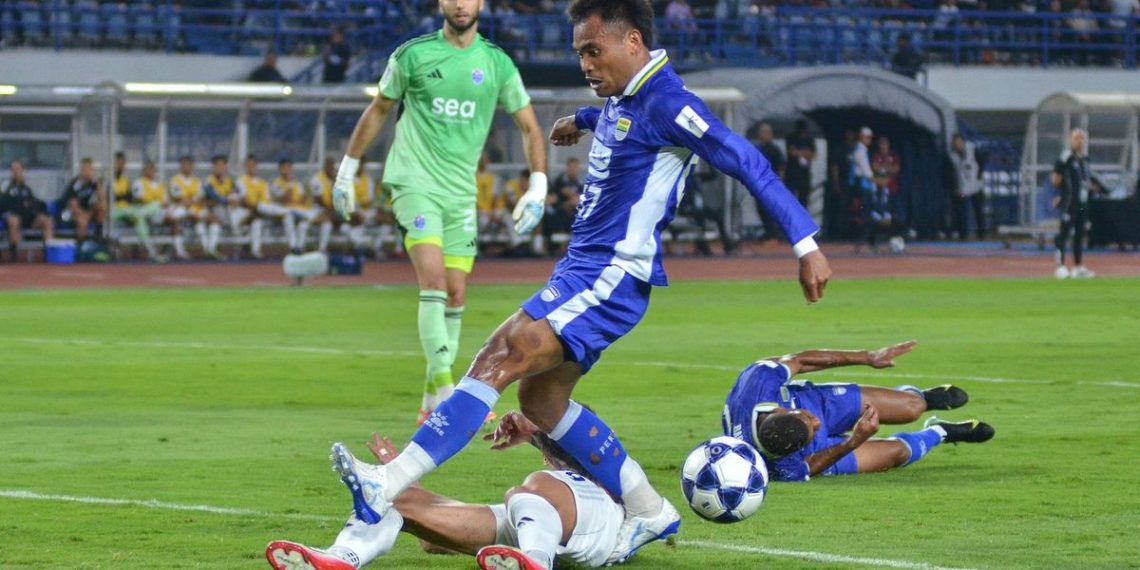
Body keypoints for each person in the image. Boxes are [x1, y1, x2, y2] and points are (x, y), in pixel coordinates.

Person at [328, 0, 831, 565]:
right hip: (583, 270)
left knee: (502, 352)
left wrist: (805, 244)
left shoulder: (670, 102)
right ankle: (647, 508)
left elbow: (746, 160)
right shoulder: (627, 97)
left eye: (595, 51)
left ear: (634, 42)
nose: (586, 65)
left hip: (610, 275)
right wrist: (582, 119)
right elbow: (622, 120)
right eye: (580, 54)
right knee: (540, 400)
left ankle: (387, 484)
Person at [328, 0, 548, 426]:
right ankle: (450, 393)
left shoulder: (497, 64)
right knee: (432, 281)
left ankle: (429, 402)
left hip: (460, 193)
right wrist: (346, 170)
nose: (460, 3)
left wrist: (537, 187)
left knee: (456, 293)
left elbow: (529, 126)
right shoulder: (413, 55)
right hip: (413, 182)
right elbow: (378, 110)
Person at [267, 410, 626, 570]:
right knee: (392, 499)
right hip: (536, 524)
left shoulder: (611, 477)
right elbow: (433, 542)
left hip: (585, 518)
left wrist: (534, 433)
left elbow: (575, 443)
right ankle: (341, 558)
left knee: (530, 490)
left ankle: (537, 562)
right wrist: (405, 481)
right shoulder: (545, 491)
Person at [722, 341, 995, 483]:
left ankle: (922, 398)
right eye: (812, 428)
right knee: (897, 453)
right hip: (813, 450)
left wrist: (868, 357)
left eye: (806, 418)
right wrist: (854, 441)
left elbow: (802, 361)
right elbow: (809, 466)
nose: (815, 423)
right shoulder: (776, 465)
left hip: (816, 400)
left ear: (780, 410)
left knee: (911, 408)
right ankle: (941, 432)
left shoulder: (759, 381)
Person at [1051, 128, 1102, 279]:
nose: (1078, 141)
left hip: (1082, 202)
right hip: (1070, 201)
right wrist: (1060, 194)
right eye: (1075, 138)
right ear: (1070, 140)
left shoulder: (1085, 159)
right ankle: (1060, 266)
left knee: (1079, 233)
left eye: (1081, 138)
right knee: (1064, 232)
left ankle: (1078, 266)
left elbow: (1084, 179)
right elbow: (1055, 178)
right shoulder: (1066, 157)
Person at [311, 157, 367, 254]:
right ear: (324, 167)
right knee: (327, 224)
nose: (331, 169)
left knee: (349, 224)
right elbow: (319, 201)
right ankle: (322, 250)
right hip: (320, 212)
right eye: (328, 166)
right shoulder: (317, 179)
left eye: (332, 167)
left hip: (335, 214)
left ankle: (357, 246)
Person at [2, 159, 55, 261]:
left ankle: (48, 253)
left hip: (28, 217)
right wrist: (21, 205)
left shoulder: (26, 188)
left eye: (18, 169)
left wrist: (41, 212)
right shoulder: (6, 187)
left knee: (47, 221)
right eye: (13, 170)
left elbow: (34, 203)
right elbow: (5, 203)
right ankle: (14, 254)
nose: (16, 172)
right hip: (13, 216)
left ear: (23, 171)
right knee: (14, 220)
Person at [118, 159, 168, 262]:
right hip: (142, 211)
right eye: (148, 169)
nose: (150, 172)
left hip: (157, 213)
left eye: (152, 169)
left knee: (158, 207)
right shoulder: (139, 183)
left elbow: (164, 203)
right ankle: (151, 252)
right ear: (144, 171)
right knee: (141, 216)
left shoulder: (160, 185)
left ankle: (160, 251)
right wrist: (154, 203)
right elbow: (139, 200)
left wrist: (154, 204)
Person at [234, 154, 279, 259]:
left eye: (253, 164)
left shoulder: (263, 183)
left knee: (257, 221)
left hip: (258, 212)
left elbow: (266, 201)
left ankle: (255, 251)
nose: (250, 167)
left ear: (256, 166)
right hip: (243, 213)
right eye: (248, 164)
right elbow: (244, 201)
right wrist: (257, 209)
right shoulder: (240, 181)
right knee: (258, 217)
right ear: (245, 166)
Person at [60, 157, 106, 248]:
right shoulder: (75, 184)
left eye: (90, 169)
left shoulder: (94, 183)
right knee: (82, 221)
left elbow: (103, 198)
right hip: (71, 213)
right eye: (86, 168)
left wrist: (97, 185)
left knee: (101, 208)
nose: (88, 171)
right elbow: (73, 205)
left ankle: (98, 238)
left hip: (87, 212)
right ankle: (81, 247)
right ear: (81, 169)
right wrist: (85, 215)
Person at [272, 158, 316, 254]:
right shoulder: (277, 183)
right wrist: (289, 187)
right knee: (288, 218)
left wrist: (307, 191)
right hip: (285, 212)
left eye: (288, 167)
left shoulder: (297, 183)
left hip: (299, 211)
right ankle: (293, 247)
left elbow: (303, 200)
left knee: (303, 225)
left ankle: (300, 248)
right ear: (280, 169)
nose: (286, 170)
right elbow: (284, 200)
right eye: (284, 167)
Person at [751, 122, 786, 241]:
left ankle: (773, 234)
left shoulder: (774, 149)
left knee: (770, 209)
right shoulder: (756, 148)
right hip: (757, 183)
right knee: (760, 209)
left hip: (770, 183)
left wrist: (779, 182)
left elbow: (781, 166)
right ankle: (768, 232)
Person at [542, 157, 583, 256]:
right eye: (570, 167)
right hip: (558, 211)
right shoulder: (559, 181)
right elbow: (552, 198)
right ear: (566, 168)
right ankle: (552, 246)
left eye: (575, 167)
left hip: (574, 212)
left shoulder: (580, 184)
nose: (572, 170)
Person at [950, 133, 986, 241]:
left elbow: (981, 162)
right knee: (960, 210)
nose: (958, 145)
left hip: (976, 186)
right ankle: (962, 234)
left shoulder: (973, 149)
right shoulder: (952, 155)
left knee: (978, 210)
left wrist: (978, 177)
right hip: (962, 187)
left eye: (959, 142)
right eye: (955, 143)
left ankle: (981, 233)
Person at [784, 119, 817, 207]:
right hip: (792, 173)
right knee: (791, 200)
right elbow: (792, 153)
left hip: (805, 174)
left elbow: (814, 155)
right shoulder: (791, 137)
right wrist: (806, 152)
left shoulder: (810, 139)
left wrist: (799, 152)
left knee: (804, 201)